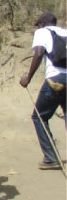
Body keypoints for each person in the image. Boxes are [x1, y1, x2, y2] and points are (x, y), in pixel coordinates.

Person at [19, 12, 67, 170]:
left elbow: (39, 52)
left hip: (55, 80)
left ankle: (51, 157)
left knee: (39, 117)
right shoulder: (65, 32)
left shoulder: (42, 32)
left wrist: (28, 78)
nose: (37, 27)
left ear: (42, 23)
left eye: (38, 24)